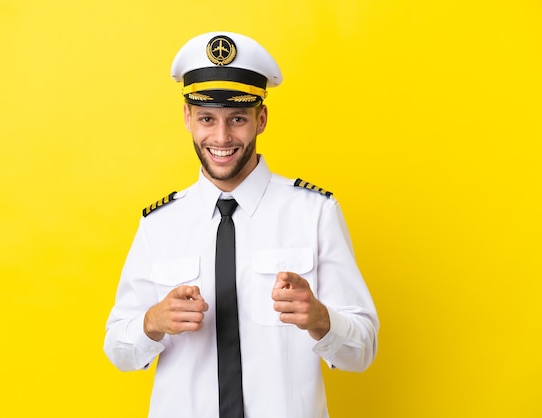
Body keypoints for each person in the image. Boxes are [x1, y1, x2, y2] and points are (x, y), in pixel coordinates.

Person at [104, 31, 379, 418]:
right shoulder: (158, 224)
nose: (221, 137)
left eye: (237, 118)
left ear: (260, 118)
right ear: (187, 118)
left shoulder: (315, 212)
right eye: (206, 119)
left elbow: (362, 351)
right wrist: (152, 322)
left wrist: (321, 319)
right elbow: (119, 350)